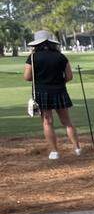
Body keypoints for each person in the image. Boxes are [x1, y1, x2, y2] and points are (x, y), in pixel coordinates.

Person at [23, 29, 81, 159]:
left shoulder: (32, 57)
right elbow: (69, 76)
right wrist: (58, 81)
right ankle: (77, 148)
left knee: (47, 122)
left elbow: (27, 77)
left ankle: (54, 151)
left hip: (41, 92)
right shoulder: (60, 56)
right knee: (67, 122)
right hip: (60, 91)